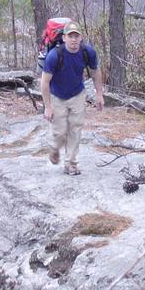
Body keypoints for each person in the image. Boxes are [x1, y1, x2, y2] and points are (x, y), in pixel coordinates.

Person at [40, 21, 104, 175]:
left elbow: (96, 72)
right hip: (57, 96)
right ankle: (55, 148)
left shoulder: (88, 52)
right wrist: (48, 106)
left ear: (81, 37)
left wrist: (99, 94)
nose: (74, 39)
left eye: (76, 36)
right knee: (60, 133)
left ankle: (71, 163)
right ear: (64, 38)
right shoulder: (54, 56)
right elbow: (45, 82)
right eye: (70, 36)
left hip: (77, 94)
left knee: (75, 129)